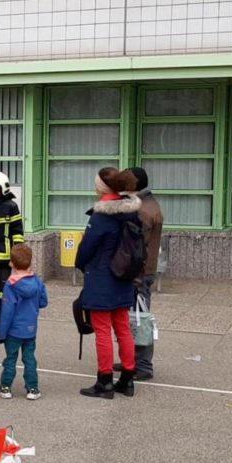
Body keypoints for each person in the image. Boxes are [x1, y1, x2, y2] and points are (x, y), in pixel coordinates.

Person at [75, 167, 141, 400]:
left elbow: (86, 249)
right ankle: (127, 378)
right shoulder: (131, 211)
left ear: (102, 187)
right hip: (123, 277)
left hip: (102, 277)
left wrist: (81, 264)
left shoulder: (101, 215)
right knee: (122, 328)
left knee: (102, 330)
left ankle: (105, 381)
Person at [0, 244, 48, 401]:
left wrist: (1, 332)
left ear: (11, 263)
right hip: (31, 329)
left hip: (13, 331)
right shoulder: (38, 282)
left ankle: (6, 387)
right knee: (29, 358)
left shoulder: (10, 285)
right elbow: (43, 302)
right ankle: (32, 388)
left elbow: (7, 312)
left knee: (10, 358)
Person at [126, 166, 163, 381]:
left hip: (140, 273)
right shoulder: (149, 203)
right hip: (144, 271)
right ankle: (132, 360)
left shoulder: (143, 211)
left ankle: (143, 366)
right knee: (134, 319)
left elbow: (136, 246)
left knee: (140, 319)